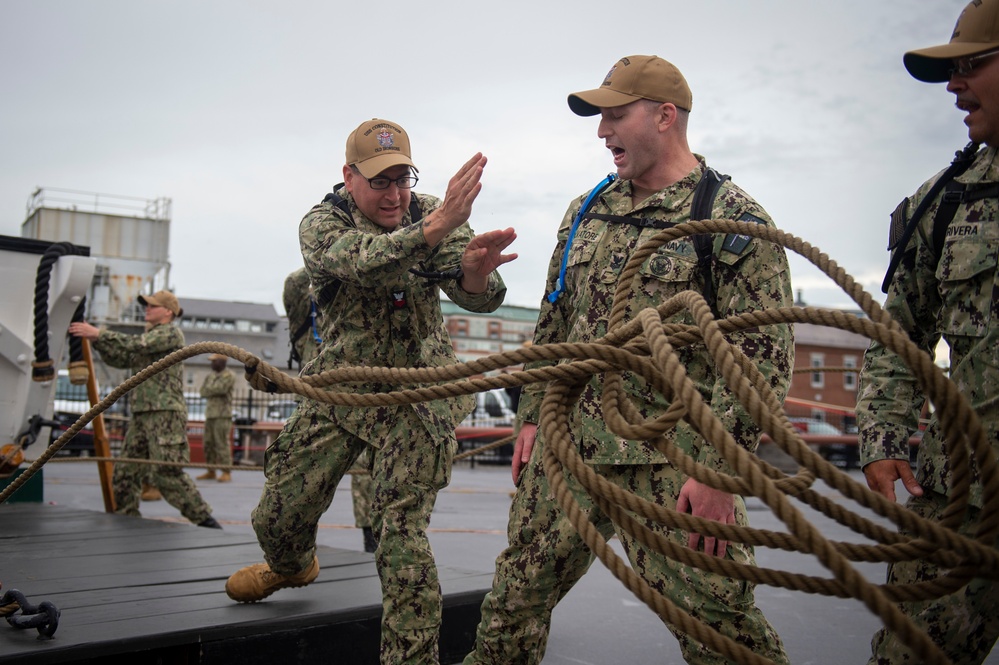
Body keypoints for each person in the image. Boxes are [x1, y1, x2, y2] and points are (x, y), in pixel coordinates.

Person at [464, 56, 794, 665]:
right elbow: (555, 321)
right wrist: (532, 417)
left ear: (664, 116)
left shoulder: (730, 221)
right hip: (569, 451)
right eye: (599, 118)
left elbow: (762, 361)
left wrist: (721, 471)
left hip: (672, 464)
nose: (601, 131)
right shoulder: (585, 211)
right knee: (511, 606)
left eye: (615, 115)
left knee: (720, 628)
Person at [226, 118, 517, 663]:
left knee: (401, 539)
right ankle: (291, 566)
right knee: (278, 516)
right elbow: (363, 263)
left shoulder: (428, 211)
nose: (395, 194)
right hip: (341, 386)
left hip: (416, 392)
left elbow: (481, 293)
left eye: (402, 178)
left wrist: (475, 273)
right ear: (349, 176)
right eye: (380, 181)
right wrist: (434, 228)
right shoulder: (321, 223)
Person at [857, 2, 999, 663]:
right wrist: (883, 437)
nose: (952, 85)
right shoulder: (944, 202)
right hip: (958, 500)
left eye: (971, 65)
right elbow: (898, 333)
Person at [68, 290, 221, 529]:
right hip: (142, 413)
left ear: (168, 311)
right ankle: (127, 521)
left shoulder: (170, 333)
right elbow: (121, 358)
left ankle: (206, 522)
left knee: (167, 474)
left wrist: (99, 333)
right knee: (126, 473)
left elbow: (135, 344)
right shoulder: (150, 338)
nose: (146, 309)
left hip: (165, 414)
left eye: (152, 306)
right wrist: (96, 341)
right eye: (146, 305)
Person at [283, 265, 378, 553]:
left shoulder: (352, 315)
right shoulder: (304, 318)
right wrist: (329, 255)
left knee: (366, 477)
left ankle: (371, 539)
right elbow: (293, 284)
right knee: (304, 479)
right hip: (316, 408)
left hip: (357, 404)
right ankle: (295, 545)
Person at [197, 353, 235, 482]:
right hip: (210, 414)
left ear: (222, 362)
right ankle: (210, 470)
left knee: (221, 443)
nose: (212, 364)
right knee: (208, 443)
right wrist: (212, 389)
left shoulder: (229, 375)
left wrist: (211, 389)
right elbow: (202, 392)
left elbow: (221, 389)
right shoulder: (210, 376)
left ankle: (226, 471)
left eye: (214, 361)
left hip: (223, 415)